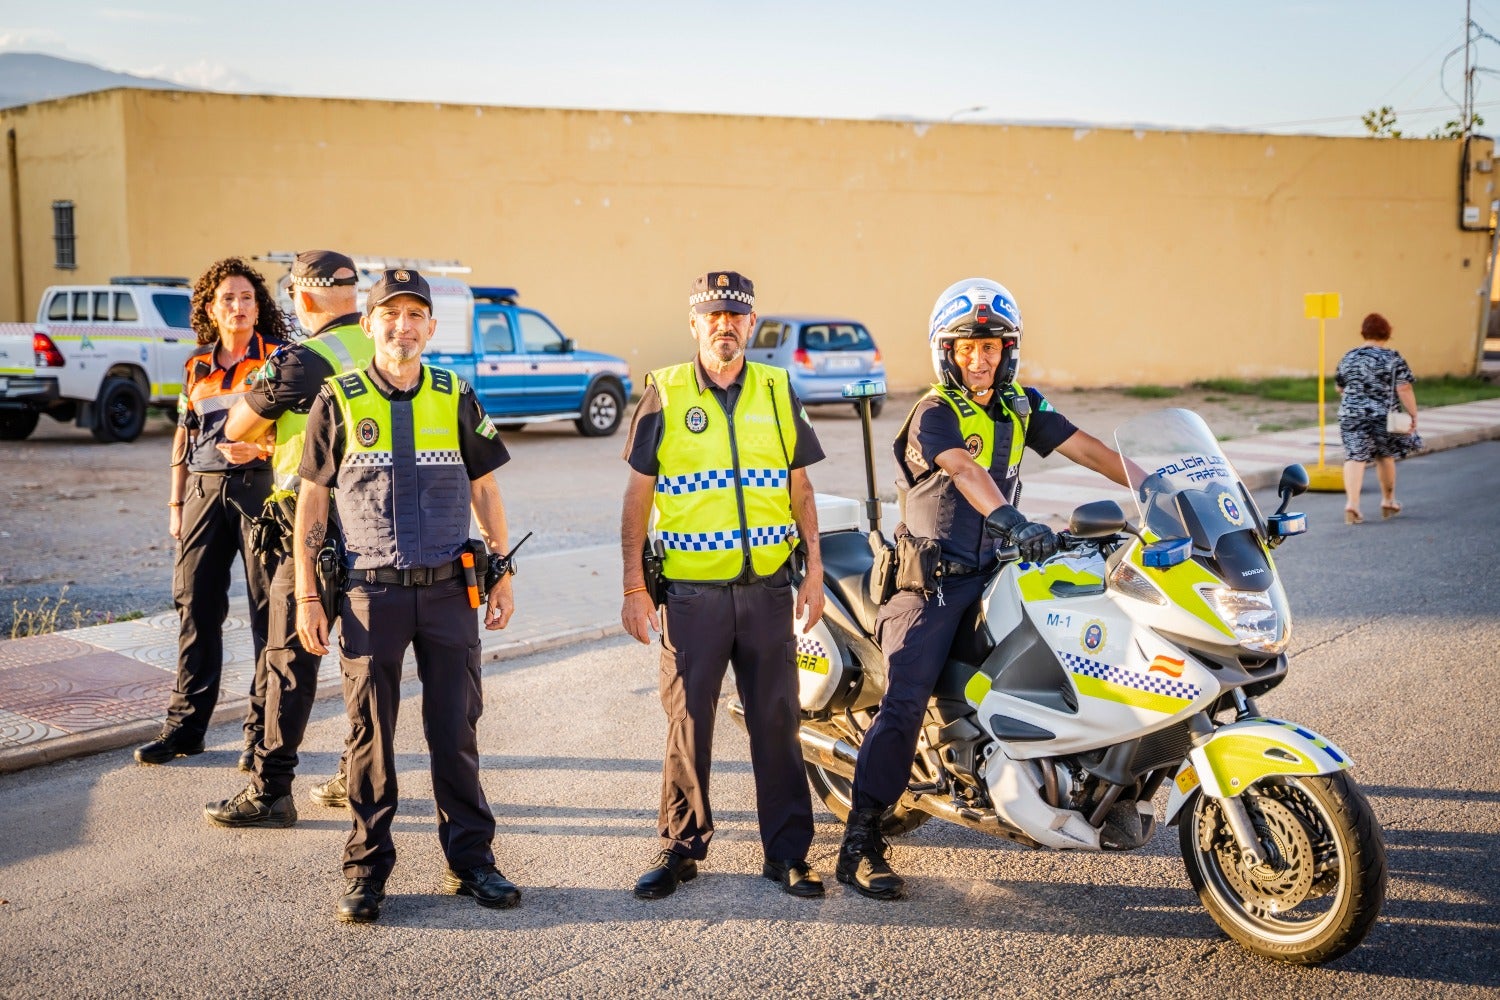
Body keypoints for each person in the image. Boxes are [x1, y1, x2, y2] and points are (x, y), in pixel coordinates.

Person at [838, 278, 1133, 900]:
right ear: (946, 351)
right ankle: (861, 839)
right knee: (904, 699)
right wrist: (1012, 520)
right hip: (931, 583)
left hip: (999, 569)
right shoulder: (934, 412)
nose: (980, 358)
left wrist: (1161, 488)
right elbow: (964, 469)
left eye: (992, 347)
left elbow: (1090, 451)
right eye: (968, 347)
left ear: (1008, 351)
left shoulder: (1020, 405)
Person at [290, 268, 519, 924]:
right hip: (371, 595)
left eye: (415, 314)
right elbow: (312, 501)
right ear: (369, 325)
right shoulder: (338, 398)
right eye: (391, 314)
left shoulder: (454, 393)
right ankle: (366, 871)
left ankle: (471, 862)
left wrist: (502, 572)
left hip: (450, 592)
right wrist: (308, 596)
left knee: (456, 731)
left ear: (431, 327)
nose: (403, 326)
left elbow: (484, 487)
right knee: (370, 737)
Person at [620, 270, 828, 900]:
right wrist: (633, 586)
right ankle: (680, 848)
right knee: (688, 724)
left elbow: (800, 485)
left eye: (736, 316)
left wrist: (815, 570)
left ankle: (788, 855)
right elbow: (638, 494)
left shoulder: (777, 388)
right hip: (691, 595)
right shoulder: (663, 391)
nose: (725, 326)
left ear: (751, 323)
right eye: (713, 315)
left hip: (768, 590)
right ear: (694, 324)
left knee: (778, 722)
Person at [203, 250, 373, 826]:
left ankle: (271, 790)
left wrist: (267, 436)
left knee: (289, 658)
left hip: (313, 525)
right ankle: (354, 772)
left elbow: (235, 425)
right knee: (365, 660)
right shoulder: (389, 348)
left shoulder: (302, 361)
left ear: (301, 298)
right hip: (381, 527)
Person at [135, 258, 290, 768]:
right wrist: (176, 504)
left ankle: (260, 736)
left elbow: (302, 434)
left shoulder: (280, 359)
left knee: (269, 613)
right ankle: (184, 729)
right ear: (210, 309)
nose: (239, 306)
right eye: (228, 298)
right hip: (203, 491)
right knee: (196, 607)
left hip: (261, 491)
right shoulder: (196, 365)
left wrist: (261, 449)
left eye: (247, 297)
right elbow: (183, 436)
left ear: (259, 307)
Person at [1336, 312, 1421, 524]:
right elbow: (1404, 388)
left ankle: (1352, 505)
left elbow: (1340, 387)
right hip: (1382, 416)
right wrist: (1413, 414)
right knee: (1385, 455)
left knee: (1354, 456)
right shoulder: (1392, 358)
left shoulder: (1349, 356)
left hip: (1351, 414)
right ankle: (1388, 501)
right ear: (1387, 333)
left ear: (1363, 332)